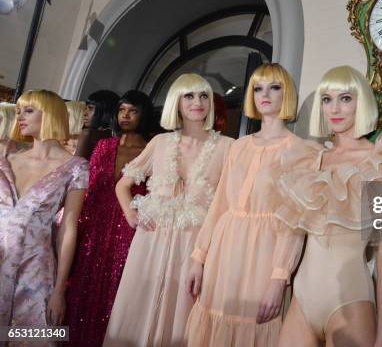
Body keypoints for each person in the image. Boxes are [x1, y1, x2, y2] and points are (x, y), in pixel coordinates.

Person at [275, 66, 382, 347]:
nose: (334, 108)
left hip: (351, 303)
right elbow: (294, 234)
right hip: (301, 302)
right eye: (326, 99)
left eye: (345, 98)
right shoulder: (309, 161)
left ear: (361, 103)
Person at [104, 74, 233, 346]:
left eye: (203, 96)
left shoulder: (229, 148)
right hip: (151, 241)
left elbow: (229, 204)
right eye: (189, 95)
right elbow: (123, 185)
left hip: (195, 246)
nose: (197, 102)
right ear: (177, 101)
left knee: (183, 319)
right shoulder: (159, 143)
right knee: (137, 310)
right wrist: (131, 214)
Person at [184, 63, 305, 347]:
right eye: (258, 88)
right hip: (223, 251)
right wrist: (198, 257)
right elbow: (219, 205)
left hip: (265, 254)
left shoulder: (300, 151)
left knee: (253, 326)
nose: (265, 94)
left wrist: (279, 277)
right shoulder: (238, 146)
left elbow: (295, 221)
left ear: (286, 93)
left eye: (274, 87)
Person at [65, 90, 154, 347]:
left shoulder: (151, 150)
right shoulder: (104, 145)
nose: (125, 116)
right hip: (93, 225)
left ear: (143, 114)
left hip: (129, 229)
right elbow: (88, 187)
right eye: (121, 110)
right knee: (83, 287)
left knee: (117, 290)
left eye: (133, 111)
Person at [0, 90, 88, 331]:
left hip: (35, 270)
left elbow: (68, 230)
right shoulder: (6, 158)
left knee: (30, 335)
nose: (20, 117)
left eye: (28, 111)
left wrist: (59, 291)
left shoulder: (76, 167)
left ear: (50, 115)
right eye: (18, 112)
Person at [76, 90, 119, 160]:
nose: (85, 113)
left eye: (90, 108)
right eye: (85, 108)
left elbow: (75, 168)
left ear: (105, 111)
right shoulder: (117, 137)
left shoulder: (87, 133)